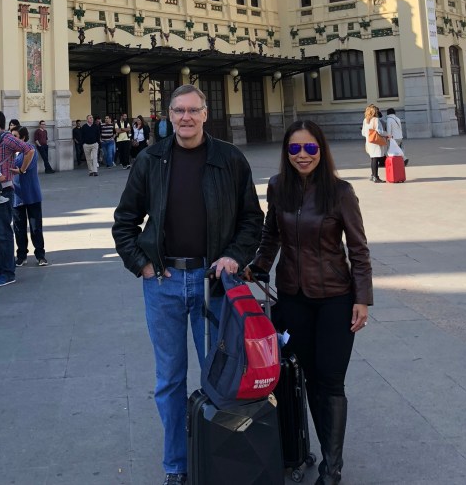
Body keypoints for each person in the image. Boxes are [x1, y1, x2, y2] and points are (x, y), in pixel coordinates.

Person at [112, 84, 264, 485]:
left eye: (193, 110)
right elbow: (124, 221)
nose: (186, 117)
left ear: (205, 114)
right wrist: (142, 264)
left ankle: (220, 460)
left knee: (221, 377)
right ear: (168, 115)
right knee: (169, 380)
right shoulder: (151, 160)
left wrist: (234, 257)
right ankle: (177, 465)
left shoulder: (229, 159)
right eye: (179, 110)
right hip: (163, 284)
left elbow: (252, 219)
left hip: (213, 284)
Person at [250, 120, 373, 485]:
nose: (302, 155)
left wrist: (362, 299)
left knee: (331, 382)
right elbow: (271, 236)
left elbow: (359, 250)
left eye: (310, 148)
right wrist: (257, 266)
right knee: (311, 379)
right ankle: (325, 453)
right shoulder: (278, 187)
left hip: (336, 298)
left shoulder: (340, 192)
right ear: (286, 152)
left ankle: (332, 469)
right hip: (293, 298)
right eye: (294, 149)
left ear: (321, 150)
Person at [0, 110, 35, 287]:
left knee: (3, 233)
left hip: (3, 192)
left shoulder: (7, 138)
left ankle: (8, 272)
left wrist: (22, 169)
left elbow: (29, 150)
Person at [11, 127, 48, 267]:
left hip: (32, 194)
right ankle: (21, 255)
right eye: (11, 136)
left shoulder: (30, 149)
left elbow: (24, 167)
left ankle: (40, 255)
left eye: (15, 136)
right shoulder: (10, 152)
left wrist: (17, 168)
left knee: (35, 227)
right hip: (17, 195)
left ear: (23, 138)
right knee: (19, 228)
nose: (13, 139)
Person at [361, 104, 387, 182]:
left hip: (369, 141)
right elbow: (380, 131)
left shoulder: (365, 120)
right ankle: (375, 177)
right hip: (376, 142)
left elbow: (363, 133)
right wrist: (387, 134)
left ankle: (373, 175)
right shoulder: (376, 120)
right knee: (375, 159)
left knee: (373, 158)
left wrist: (369, 136)